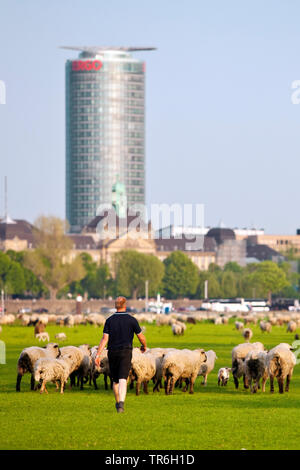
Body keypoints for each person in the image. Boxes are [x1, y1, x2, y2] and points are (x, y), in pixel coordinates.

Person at [95, 296, 147, 413]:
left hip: (112, 352)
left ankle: (118, 402)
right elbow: (141, 336)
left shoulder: (109, 320)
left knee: (115, 380)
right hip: (126, 351)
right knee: (123, 378)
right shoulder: (131, 320)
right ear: (125, 305)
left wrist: (98, 354)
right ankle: (121, 403)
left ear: (115, 306)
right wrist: (144, 345)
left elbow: (104, 339)